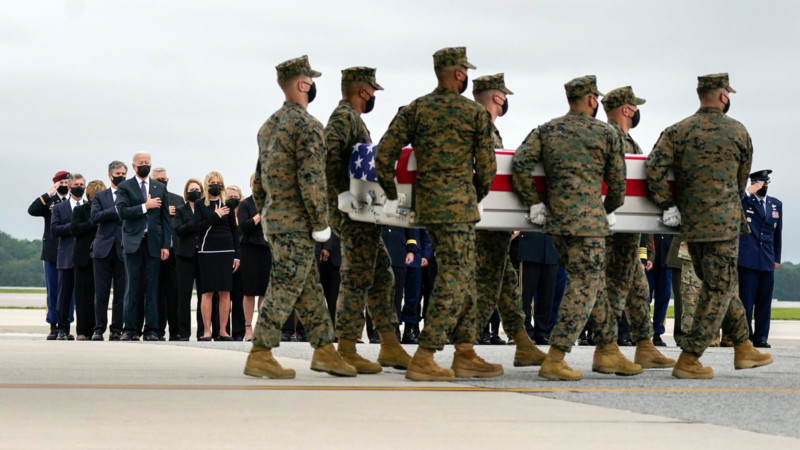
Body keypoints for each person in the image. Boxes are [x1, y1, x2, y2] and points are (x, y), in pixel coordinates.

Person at [377, 47, 501, 381]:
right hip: (459, 206)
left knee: (462, 275)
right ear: (459, 74)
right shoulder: (473, 113)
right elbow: (487, 167)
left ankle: (465, 352)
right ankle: (426, 354)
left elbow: (385, 152)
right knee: (456, 276)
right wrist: (473, 194)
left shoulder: (416, 109)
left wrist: (391, 193)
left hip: (428, 206)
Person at [646, 73, 772, 379]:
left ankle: (743, 346)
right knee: (718, 286)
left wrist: (669, 206)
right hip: (725, 223)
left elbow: (653, 169)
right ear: (723, 96)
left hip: (690, 223)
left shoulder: (677, 131)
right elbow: (741, 180)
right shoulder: (738, 131)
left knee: (721, 283)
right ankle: (690, 357)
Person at [512, 75, 636, 381]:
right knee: (582, 288)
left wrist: (534, 202)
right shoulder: (606, 134)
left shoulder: (547, 129)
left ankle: (608, 351)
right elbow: (619, 185)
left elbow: (519, 163)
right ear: (593, 100)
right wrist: (605, 209)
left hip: (557, 226)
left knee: (590, 285)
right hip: (589, 225)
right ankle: (556, 357)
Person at [243, 55, 356, 379]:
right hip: (298, 222)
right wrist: (321, 223)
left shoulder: (269, 126)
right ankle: (260, 351)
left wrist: (266, 214)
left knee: (309, 289)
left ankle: (324, 350)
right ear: (303, 84)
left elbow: (260, 178)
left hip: (276, 220)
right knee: (285, 285)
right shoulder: (307, 126)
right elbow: (312, 180)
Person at [324, 66, 411, 373]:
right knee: (357, 276)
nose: (373, 96)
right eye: (372, 91)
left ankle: (389, 345)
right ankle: (346, 347)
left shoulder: (352, 119)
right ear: (363, 91)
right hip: (352, 212)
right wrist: (338, 193)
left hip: (363, 212)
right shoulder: (344, 117)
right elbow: (328, 154)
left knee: (382, 276)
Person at [471, 73, 546, 365]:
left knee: (505, 282)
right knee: (487, 285)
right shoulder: (480, 128)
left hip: (491, 220)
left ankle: (522, 341)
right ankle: (465, 347)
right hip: (485, 219)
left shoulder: (486, 128)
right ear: (498, 98)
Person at [598, 86, 674, 368]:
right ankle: (606, 349)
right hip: (611, 234)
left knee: (640, 291)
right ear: (627, 110)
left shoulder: (631, 144)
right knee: (614, 292)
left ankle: (645, 345)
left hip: (629, 236)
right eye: (635, 106)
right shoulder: (608, 139)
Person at [115, 152, 172, 341]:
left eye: (148, 162)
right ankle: (130, 329)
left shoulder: (159, 187)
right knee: (132, 288)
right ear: (134, 166)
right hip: (133, 243)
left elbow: (165, 219)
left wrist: (166, 245)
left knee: (152, 288)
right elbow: (122, 212)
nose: (145, 165)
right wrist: (145, 206)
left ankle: (151, 330)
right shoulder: (125, 187)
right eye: (141, 163)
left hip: (154, 244)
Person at [738, 170, 782, 348]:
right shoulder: (745, 201)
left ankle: (761, 337)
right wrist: (748, 192)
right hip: (747, 260)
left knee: (764, 303)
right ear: (754, 183)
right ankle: (746, 337)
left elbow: (777, 233)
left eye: (766, 183)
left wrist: (776, 257)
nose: (764, 186)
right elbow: (733, 206)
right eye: (760, 183)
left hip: (767, 260)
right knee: (747, 303)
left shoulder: (775, 204)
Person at [194, 171, 239, 341]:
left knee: (225, 291)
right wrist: (216, 215)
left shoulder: (227, 203)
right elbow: (198, 227)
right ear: (207, 184)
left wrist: (237, 256)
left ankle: (223, 330)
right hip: (207, 251)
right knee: (207, 292)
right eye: (212, 182)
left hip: (226, 251)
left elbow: (234, 231)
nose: (215, 185)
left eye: (218, 182)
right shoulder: (200, 204)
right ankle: (206, 330)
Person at [28, 170, 71, 339]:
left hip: (70, 250)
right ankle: (53, 325)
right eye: (62, 182)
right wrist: (49, 193)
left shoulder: (74, 201)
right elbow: (32, 210)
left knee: (68, 291)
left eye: (67, 182)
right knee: (52, 290)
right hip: (51, 251)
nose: (65, 185)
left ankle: (65, 325)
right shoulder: (50, 201)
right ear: (56, 183)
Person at [90, 161, 127, 341]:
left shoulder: (130, 195)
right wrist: (117, 210)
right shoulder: (100, 196)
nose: (121, 176)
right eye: (118, 173)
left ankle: (116, 329)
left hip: (123, 249)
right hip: (103, 249)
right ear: (110, 175)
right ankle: (99, 328)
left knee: (121, 294)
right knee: (101, 293)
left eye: (123, 173)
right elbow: (96, 217)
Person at [51, 173, 86, 340]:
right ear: (70, 187)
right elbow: (54, 229)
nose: (80, 187)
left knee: (84, 296)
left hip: (85, 257)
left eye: (82, 184)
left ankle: (84, 329)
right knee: (64, 296)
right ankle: (62, 329)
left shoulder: (89, 206)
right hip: (67, 256)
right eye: (77, 184)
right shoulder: (59, 208)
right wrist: (73, 227)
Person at [151, 168, 185, 341]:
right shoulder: (148, 198)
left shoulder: (178, 200)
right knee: (156, 293)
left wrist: (174, 214)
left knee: (174, 293)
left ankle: (175, 330)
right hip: (154, 252)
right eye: (158, 179)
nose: (161, 181)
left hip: (174, 252)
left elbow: (183, 222)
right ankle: (157, 330)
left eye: (163, 179)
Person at [237, 173, 271, 342]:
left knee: (265, 291)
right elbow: (244, 226)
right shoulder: (245, 204)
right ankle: (248, 328)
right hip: (249, 249)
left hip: (267, 250)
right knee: (249, 291)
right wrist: (259, 215)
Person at [71, 180, 103, 340]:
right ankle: (82, 331)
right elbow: (75, 229)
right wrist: (93, 223)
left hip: (102, 257)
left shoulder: (108, 211)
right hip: (82, 258)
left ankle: (98, 329)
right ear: (89, 195)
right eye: (94, 194)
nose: (96, 197)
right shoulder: (80, 210)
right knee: (82, 296)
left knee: (100, 296)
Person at [174, 179, 204, 341]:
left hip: (203, 256)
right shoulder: (180, 210)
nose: (195, 192)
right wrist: (196, 222)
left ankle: (202, 332)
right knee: (184, 296)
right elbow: (179, 229)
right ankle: (184, 332)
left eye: (198, 189)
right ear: (187, 192)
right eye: (192, 189)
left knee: (203, 295)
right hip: (185, 256)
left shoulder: (205, 209)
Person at [517, 231, 559, 345]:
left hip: (552, 249)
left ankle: (541, 332)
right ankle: (525, 331)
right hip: (530, 248)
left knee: (547, 295)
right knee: (525, 295)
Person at [226, 185, 246, 341]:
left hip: (242, 259)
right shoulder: (223, 213)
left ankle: (239, 332)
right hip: (225, 258)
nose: (232, 199)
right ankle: (223, 331)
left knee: (239, 299)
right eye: (229, 197)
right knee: (224, 297)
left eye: (235, 197)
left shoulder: (244, 213)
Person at [647, 234, 673, 346]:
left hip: (666, 257)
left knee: (664, 297)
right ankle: (643, 332)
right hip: (648, 258)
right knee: (644, 297)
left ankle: (657, 333)